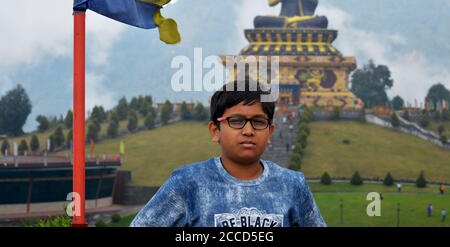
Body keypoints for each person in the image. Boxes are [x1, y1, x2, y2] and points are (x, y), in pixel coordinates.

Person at [130, 78, 325, 227]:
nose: (248, 131)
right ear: (215, 131)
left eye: (258, 122)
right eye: (237, 121)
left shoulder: (292, 184)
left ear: (270, 132)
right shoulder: (188, 182)